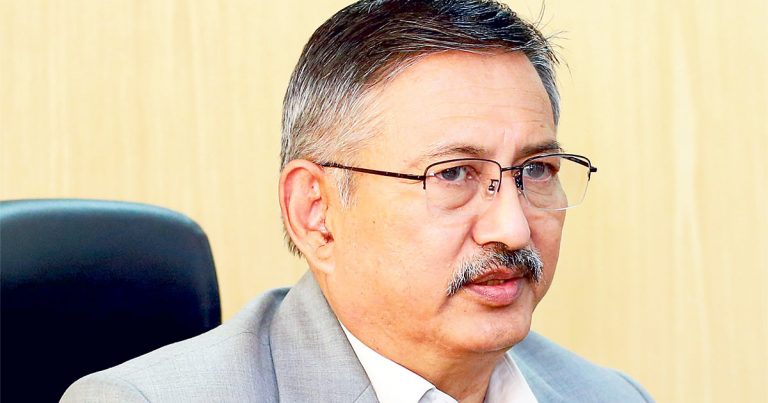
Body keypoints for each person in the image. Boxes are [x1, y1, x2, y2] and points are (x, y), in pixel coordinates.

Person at [62, 1, 654, 402]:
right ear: (316, 214)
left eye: (536, 170)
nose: (514, 228)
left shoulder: (608, 395)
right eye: (453, 174)